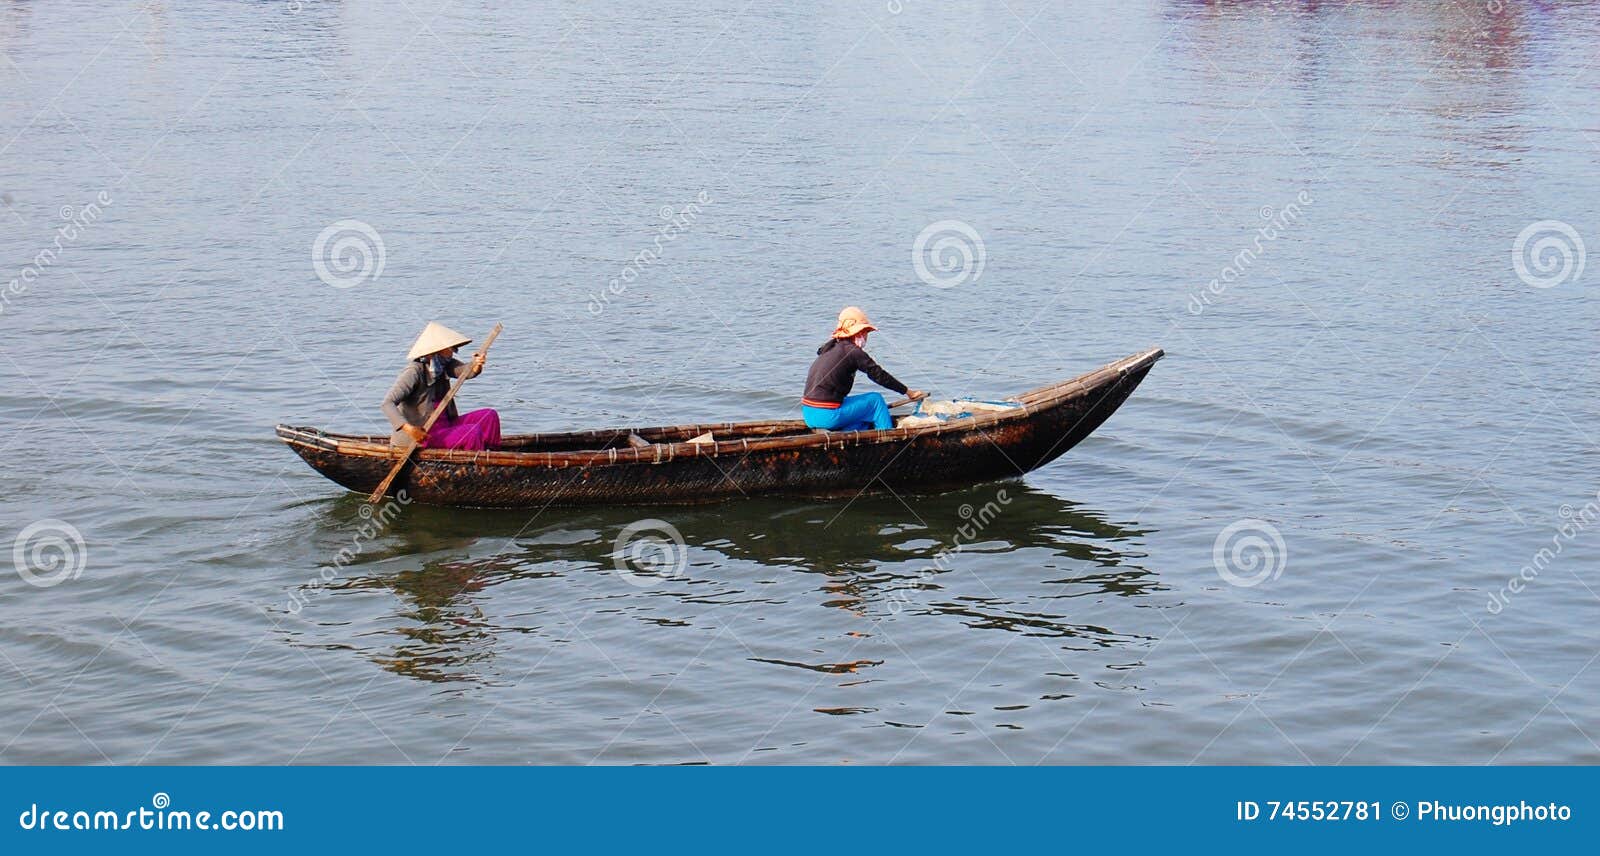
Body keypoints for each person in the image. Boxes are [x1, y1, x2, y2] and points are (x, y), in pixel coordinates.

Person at [801, 307, 925, 432]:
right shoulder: (853, 352)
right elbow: (879, 375)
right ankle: (888, 437)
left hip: (808, 414)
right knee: (875, 400)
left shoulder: (829, 348)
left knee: (863, 418)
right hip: (827, 415)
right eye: (865, 332)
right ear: (858, 333)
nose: (866, 337)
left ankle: (850, 432)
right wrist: (908, 392)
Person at [381, 322, 501, 451]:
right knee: (471, 432)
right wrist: (409, 429)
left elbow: (467, 372)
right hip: (424, 434)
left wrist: (477, 364)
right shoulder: (414, 372)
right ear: (437, 351)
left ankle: (489, 454)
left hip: (445, 426)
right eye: (451, 349)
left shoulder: (443, 364)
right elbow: (387, 403)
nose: (452, 353)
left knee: (489, 416)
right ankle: (475, 463)